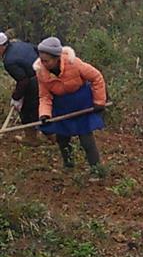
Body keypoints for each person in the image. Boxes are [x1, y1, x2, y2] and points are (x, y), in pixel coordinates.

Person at [34, 37, 107, 172]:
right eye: (41, 60)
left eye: (46, 60)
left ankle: (97, 170)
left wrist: (99, 102)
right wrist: (44, 114)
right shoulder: (41, 72)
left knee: (86, 140)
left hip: (81, 103)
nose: (43, 63)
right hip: (62, 106)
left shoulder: (74, 63)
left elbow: (96, 77)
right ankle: (68, 166)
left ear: (57, 58)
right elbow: (45, 96)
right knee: (62, 138)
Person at [0, 31, 40, 139]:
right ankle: (52, 136)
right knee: (40, 107)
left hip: (33, 82)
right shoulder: (18, 44)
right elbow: (36, 49)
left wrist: (16, 97)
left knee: (27, 110)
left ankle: (31, 138)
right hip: (41, 74)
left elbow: (23, 80)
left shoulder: (9, 61)